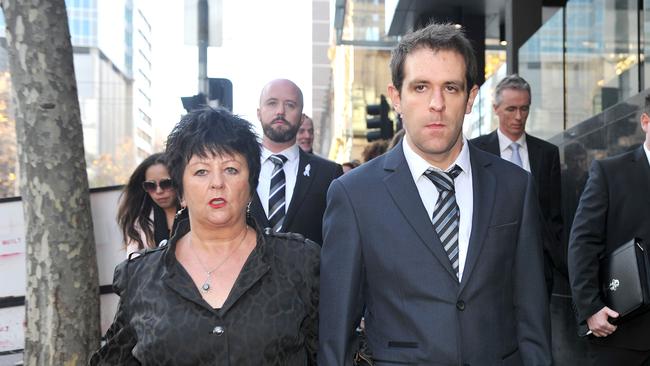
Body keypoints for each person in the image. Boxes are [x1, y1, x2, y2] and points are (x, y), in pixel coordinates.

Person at [319, 23, 551, 365]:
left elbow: (532, 317)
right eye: (421, 87)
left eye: (451, 88)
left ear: (471, 98)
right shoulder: (354, 195)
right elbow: (336, 334)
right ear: (396, 97)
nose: (437, 104)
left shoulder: (515, 186)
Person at [91, 108, 320, 365]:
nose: (217, 183)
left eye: (231, 169)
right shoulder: (141, 277)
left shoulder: (299, 262)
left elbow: (330, 352)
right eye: (201, 171)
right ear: (181, 191)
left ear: (251, 184)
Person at [568, 99, 650, 365]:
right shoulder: (609, 172)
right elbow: (583, 243)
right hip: (622, 333)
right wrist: (590, 307)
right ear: (646, 122)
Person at [471, 74, 564, 294]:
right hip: (489, 265)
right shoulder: (475, 150)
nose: (519, 116)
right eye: (511, 109)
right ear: (496, 108)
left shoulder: (547, 153)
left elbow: (554, 214)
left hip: (538, 265)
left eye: (525, 108)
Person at [249, 79, 343, 245]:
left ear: (302, 117)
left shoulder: (328, 174)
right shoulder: (235, 169)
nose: (280, 111)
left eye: (290, 105)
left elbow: (338, 241)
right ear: (258, 112)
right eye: (272, 103)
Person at [116, 152, 181, 256]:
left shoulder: (195, 213)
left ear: (179, 182)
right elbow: (134, 265)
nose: (159, 191)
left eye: (166, 183)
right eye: (150, 185)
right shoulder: (140, 223)